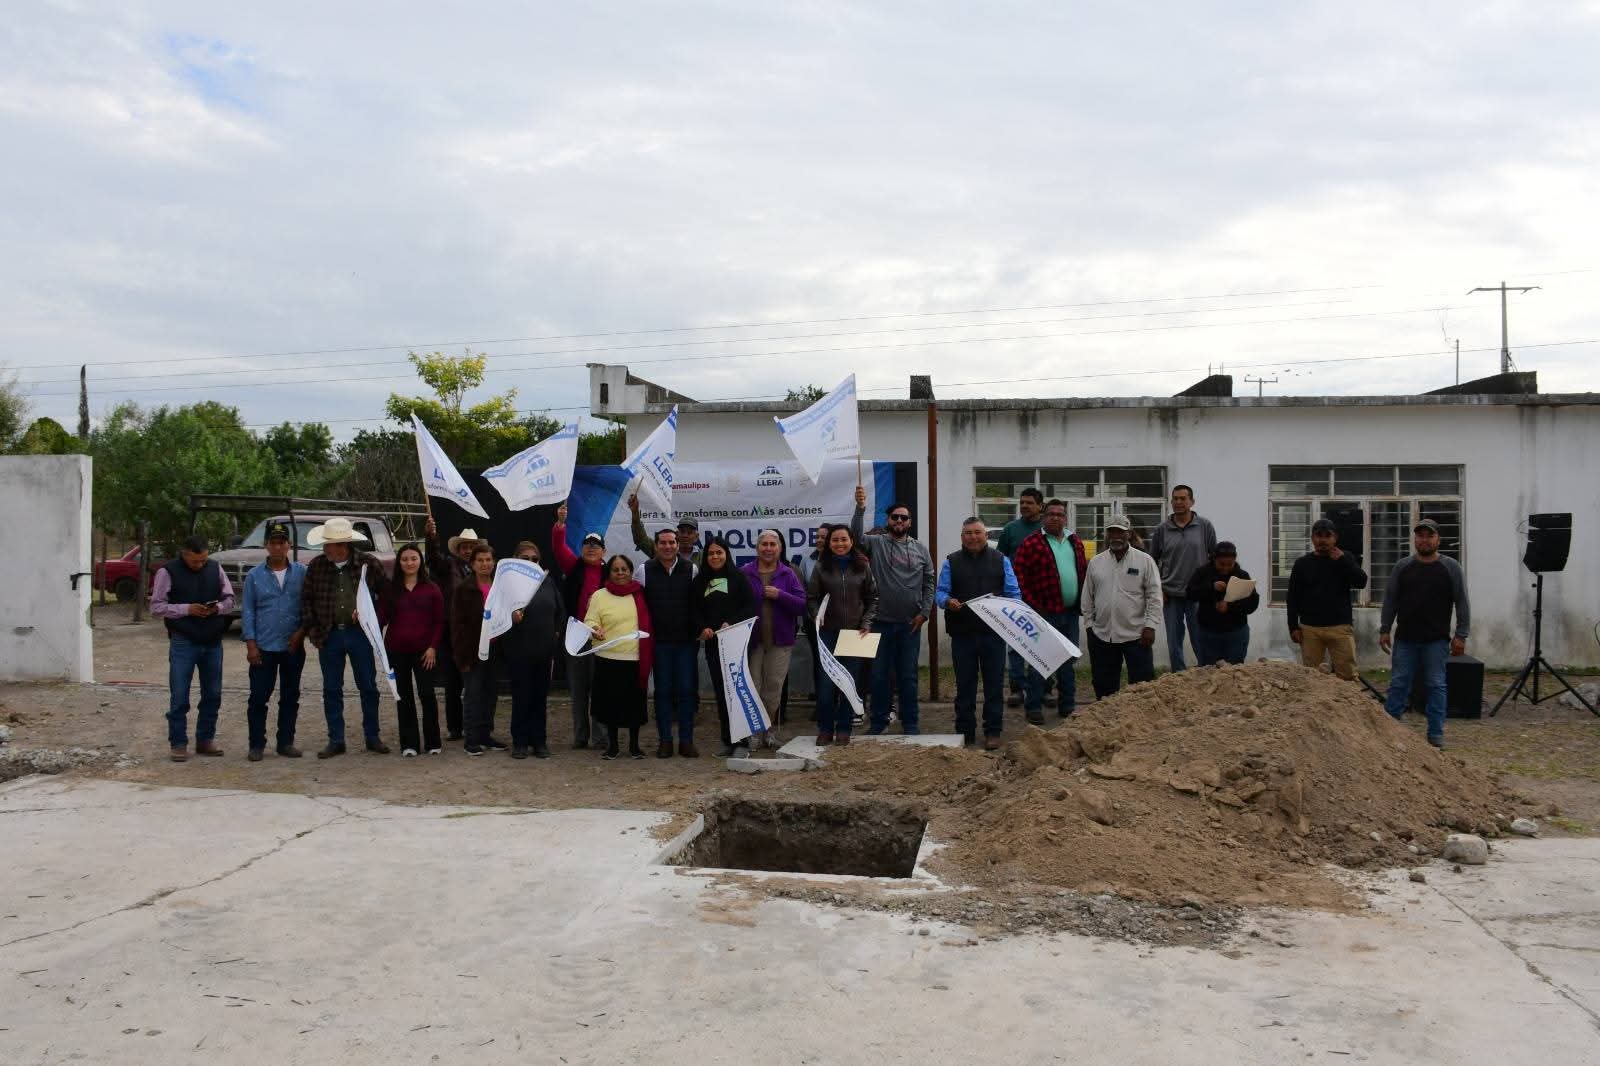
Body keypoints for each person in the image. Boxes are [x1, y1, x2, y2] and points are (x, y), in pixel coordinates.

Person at [300, 517, 389, 759]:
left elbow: (387, 596)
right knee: (331, 688)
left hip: (359, 633)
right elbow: (306, 599)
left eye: (329, 545)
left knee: (368, 686)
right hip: (329, 634)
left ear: (343, 545)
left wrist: (372, 618)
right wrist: (313, 628)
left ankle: (372, 736)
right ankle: (336, 739)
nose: (325, 549)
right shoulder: (317, 566)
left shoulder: (369, 564)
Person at [850, 487, 935, 735]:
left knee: (908, 677)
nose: (899, 521)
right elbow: (854, 536)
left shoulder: (920, 549)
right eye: (895, 517)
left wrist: (925, 612)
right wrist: (860, 507)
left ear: (910, 522)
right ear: (888, 520)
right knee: (878, 676)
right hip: (879, 623)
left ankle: (911, 724)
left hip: (910, 624)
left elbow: (929, 581)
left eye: (904, 517)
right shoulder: (876, 543)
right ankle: (878, 723)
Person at [1380, 519, 1471, 749]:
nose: (1424, 540)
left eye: (1429, 536)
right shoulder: (1402, 567)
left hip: (1436, 640)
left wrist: (1461, 634)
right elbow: (1390, 600)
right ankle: (1389, 729)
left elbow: (1462, 602)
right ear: (1415, 539)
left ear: (1437, 539)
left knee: (1436, 685)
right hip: (1405, 639)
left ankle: (1435, 734)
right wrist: (1384, 629)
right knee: (1399, 683)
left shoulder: (1451, 568)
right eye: (1420, 536)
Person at [937, 517, 1022, 749]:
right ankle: (965, 731)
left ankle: (993, 731)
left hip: (993, 635)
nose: (973, 537)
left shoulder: (1001, 560)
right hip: (962, 634)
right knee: (965, 685)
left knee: (994, 685)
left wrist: (1007, 607)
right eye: (968, 533)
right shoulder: (951, 562)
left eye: (977, 532)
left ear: (986, 535)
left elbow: (1014, 594)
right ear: (962, 536)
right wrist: (948, 601)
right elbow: (940, 593)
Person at [151, 535, 236, 762]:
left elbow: (230, 600)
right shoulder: (167, 572)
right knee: (179, 695)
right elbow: (157, 607)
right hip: (183, 640)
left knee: (213, 693)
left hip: (212, 640)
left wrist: (216, 608)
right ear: (184, 554)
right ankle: (178, 743)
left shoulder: (216, 569)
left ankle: (205, 739)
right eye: (195, 561)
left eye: (203, 560)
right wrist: (187, 609)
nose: (200, 565)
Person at [1009, 499, 1088, 723]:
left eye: (1060, 514)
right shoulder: (1032, 543)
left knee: (1067, 660)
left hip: (1070, 612)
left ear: (1066, 518)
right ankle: (1033, 707)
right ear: (1043, 517)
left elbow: (1082, 572)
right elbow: (1019, 577)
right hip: (1043, 613)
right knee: (1040, 661)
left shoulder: (1075, 541)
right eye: (1051, 514)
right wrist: (1033, 606)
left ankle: (1067, 705)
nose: (1055, 517)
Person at [240, 522, 306, 762]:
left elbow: (308, 607)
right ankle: (256, 744)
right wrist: (251, 644)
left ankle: (286, 742)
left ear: (289, 545)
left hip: (292, 646)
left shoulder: (301, 572)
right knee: (258, 697)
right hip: (264, 647)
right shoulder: (254, 576)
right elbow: (247, 611)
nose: (278, 547)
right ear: (266, 545)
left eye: (282, 542)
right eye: (273, 542)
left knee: (290, 697)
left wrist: (301, 633)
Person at [806, 524, 877, 746]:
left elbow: (873, 598)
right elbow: (811, 598)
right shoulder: (821, 567)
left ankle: (844, 728)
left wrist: (866, 622)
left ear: (851, 541)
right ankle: (826, 729)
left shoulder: (862, 566)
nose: (839, 544)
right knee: (827, 686)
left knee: (849, 683)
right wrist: (817, 615)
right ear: (829, 543)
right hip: (827, 635)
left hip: (854, 635)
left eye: (843, 539)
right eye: (835, 540)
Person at [1079, 516, 1162, 698]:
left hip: (1137, 636)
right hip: (1102, 636)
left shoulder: (1144, 560)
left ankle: (1142, 723)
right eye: (1112, 531)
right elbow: (1087, 597)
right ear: (1107, 534)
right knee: (1104, 687)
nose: (1116, 536)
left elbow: (1154, 596)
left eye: (1120, 532)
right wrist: (1089, 625)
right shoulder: (1096, 562)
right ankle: (1107, 723)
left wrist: (1150, 626)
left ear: (1129, 534)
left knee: (1143, 687)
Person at [740, 530, 808, 749]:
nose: (768, 548)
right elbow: (735, 604)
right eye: (764, 544)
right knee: (753, 687)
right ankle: (753, 733)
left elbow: (802, 605)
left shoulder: (788, 574)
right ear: (757, 548)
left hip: (780, 642)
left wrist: (781, 595)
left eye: (772, 544)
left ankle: (767, 731)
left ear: (779, 548)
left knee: (773, 688)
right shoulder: (745, 572)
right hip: (752, 642)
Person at [692, 536, 758, 757]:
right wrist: (703, 628)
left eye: (719, 552)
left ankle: (743, 742)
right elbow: (694, 610)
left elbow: (750, 606)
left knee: (737, 692)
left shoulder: (738, 577)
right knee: (722, 693)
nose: (715, 557)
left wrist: (731, 622)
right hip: (713, 646)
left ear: (726, 554)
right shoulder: (700, 581)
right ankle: (728, 740)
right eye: (711, 553)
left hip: (736, 643)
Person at [584, 554, 653, 760]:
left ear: (631, 572)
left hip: (634, 659)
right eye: (616, 569)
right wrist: (595, 628)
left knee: (634, 706)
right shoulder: (599, 596)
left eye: (624, 569)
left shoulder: (641, 594)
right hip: (607, 658)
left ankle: (634, 746)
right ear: (610, 572)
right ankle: (612, 747)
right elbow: (589, 620)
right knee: (610, 706)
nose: (620, 573)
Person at [551, 514, 611, 752]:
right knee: (578, 688)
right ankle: (579, 736)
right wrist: (561, 524)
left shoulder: (612, 572)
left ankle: (600, 737)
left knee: (599, 688)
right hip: (575, 634)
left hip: (601, 636)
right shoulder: (573, 566)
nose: (591, 548)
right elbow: (558, 546)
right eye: (587, 544)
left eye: (596, 546)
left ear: (604, 551)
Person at [500, 540, 564, 760]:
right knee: (521, 698)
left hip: (544, 652)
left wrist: (555, 633)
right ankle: (520, 742)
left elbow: (560, 612)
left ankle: (539, 742)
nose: (530, 562)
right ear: (516, 559)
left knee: (539, 698)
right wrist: (510, 617)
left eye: (534, 559)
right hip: (519, 652)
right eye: (525, 559)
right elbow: (496, 615)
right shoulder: (506, 585)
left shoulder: (547, 582)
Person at [379, 543, 445, 757]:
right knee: (403, 696)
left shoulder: (432, 589)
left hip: (425, 653)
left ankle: (433, 742)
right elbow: (381, 617)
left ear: (420, 561)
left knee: (427, 694)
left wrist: (433, 647)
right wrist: (363, 615)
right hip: (396, 651)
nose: (409, 562)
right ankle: (410, 744)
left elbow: (439, 621)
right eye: (405, 559)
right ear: (399, 562)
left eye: (413, 558)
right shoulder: (390, 589)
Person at [1287, 518, 1369, 681]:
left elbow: (1361, 582)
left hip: (1340, 627)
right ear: (1312, 538)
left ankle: (1347, 706)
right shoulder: (1302, 564)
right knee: (1312, 677)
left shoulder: (1345, 558)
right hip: (1310, 628)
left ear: (1335, 538)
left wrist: (1343, 561)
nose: (1322, 540)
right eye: (1318, 535)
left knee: (1347, 675)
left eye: (1327, 536)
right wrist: (1293, 626)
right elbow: (1292, 596)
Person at [642, 526, 700, 758]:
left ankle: (686, 741)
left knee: (687, 691)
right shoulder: (643, 570)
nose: (667, 546)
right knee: (663, 692)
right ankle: (665, 740)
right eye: (663, 543)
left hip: (686, 642)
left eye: (671, 542)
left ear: (678, 545)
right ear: (655, 546)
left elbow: (697, 604)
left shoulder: (692, 569)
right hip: (659, 643)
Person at [1147, 484, 1217, 673]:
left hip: (1198, 595)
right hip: (1171, 595)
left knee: (1200, 637)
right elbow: (1151, 562)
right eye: (1175, 499)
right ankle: (1178, 676)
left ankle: (1205, 673)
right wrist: (1159, 588)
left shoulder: (1204, 526)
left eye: (1182, 499)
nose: (1178, 502)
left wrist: (1210, 588)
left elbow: (1215, 559)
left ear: (1191, 502)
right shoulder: (1162, 529)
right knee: (1174, 641)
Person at [424, 519, 480, 741]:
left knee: (475, 682)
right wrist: (430, 538)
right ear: (458, 549)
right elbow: (433, 559)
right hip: (451, 632)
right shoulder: (448, 566)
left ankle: (475, 725)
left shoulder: (483, 570)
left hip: (475, 633)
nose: (467, 550)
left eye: (471, 546)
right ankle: (455, 728)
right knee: (452, 682)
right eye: (464, 546)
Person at [451, 542, 509, 756]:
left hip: (494, 650)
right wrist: (462, 656)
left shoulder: (499, 587)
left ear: (494, 562)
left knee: (490, 693)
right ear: (473, 563)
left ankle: (486, 734)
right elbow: (457, 625)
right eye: (480, 560)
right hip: (472, 651)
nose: (485, 564)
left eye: (488, 560)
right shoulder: (464, 589)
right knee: (473, 694)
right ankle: (471, 739)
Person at [996, 488, 1044, 707]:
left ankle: (1044, 687)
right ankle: (1016, 688)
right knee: (1015, 643)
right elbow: (999, 561)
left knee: (1041, 642)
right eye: (1022, 502)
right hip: (1016, 597)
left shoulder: (1047, 529)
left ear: (1040, 506)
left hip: (1044, 597)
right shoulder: (1010, 530)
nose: (1024, 506)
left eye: (1029, 503)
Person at [1185, 542, 1260, 666]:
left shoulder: (1242, 575)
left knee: (1234, 673)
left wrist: (1230, 607)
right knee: (1208, 673)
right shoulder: (1202, 573)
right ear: (1214, 559)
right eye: (1221, 564)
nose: (1225, 568)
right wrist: (1211, 587)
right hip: (1208, 633)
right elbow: (1190, 594)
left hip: (1236, 633)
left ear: (1235, 560)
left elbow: (1252, 604)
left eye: (1229, 564)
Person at [629, 494, 704, 566]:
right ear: (677, 535)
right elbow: (640, 539)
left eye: (689, 532)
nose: (685, 535)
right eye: (682, 531)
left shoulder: (705, 556)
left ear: (696, 537)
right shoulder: (662, 551)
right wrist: (635, 512)